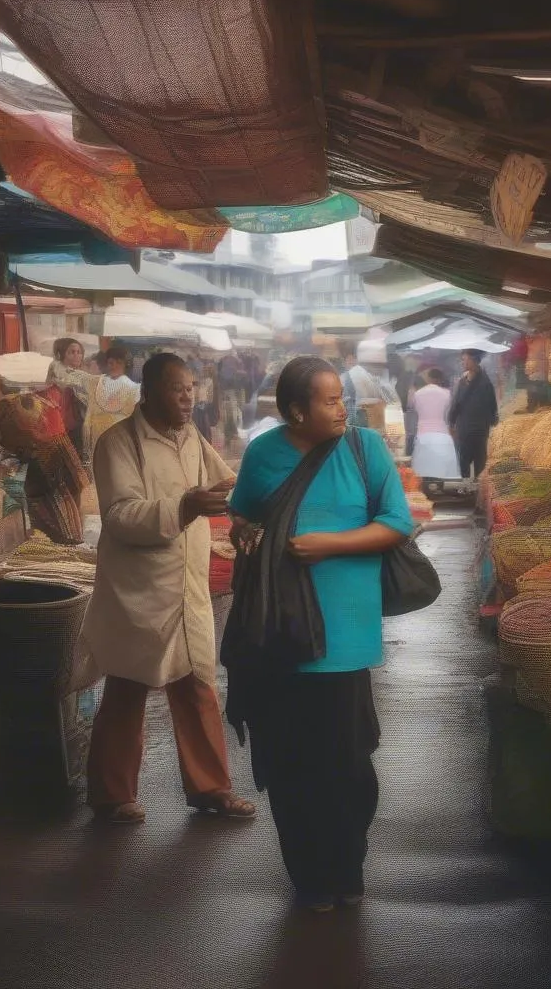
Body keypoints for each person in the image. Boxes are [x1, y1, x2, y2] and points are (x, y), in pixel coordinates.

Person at [225, 355, 414, 912]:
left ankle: (346, 866)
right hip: (277, 635)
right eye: (329, 401)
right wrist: (246, 536)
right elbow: (243, 517)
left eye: (341, 398)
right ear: (295, 411)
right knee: (289, 762)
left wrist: (329, 544)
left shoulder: (365, 449)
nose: (342, 408)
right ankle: (309, 878)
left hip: (344, 639)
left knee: (347, 762)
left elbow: (398, 522)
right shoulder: (263, 453)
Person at [80, 352, 256, 825]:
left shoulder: (191, 438)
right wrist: (186, 506)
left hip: (188, 585)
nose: (188, 396)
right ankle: (112, 796)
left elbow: (224, 483)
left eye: (192, 387)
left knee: (197, 683)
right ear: (150, 390)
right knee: (128, 686)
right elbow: (119, 516)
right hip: (139, 590)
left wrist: (247, 504)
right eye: (178, 387)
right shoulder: (118, 443)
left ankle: (212, 789)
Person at [448, 348, 498, 479]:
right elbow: (456, 403)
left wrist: (451, 422)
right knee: (467, 463)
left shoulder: (483, 382)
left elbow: (492, 406)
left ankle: (476, 493)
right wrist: (451, 422)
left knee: (477, 465)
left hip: (475, 430)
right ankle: (468, 491)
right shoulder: (466, 381)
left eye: (464, 359)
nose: (462, 363)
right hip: (470, 429)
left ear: (473, 360)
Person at [86, 344, 140, 461]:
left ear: (126, 364)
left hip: (117, 437)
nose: (114, 366)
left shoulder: (133, 388)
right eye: (111, 363)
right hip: (95, 435)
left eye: (118, 363)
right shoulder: (98, 383)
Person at [45, 337, 90, 460]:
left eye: (79, 352)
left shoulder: (82, 378)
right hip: (62, 433)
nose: (76, 355)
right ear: (61, 355)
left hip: (78, 430)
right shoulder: (57, 381)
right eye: (71, 352)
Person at [411, 369, 460, 480]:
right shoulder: (447, 394)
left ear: (428, 378)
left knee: (422, 474)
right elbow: (449, 416)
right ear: (441, 379)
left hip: (423, 436)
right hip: (443, 435)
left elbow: (414, 411)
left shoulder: (418, 394)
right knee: (445, 474)